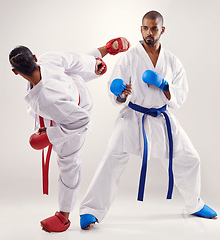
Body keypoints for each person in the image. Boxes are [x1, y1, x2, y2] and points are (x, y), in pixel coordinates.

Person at [79, 11, 218, 230]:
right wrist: (120, 93)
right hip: (133, 116)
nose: (149, 32)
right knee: (111, 159)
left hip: (162, 118)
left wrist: (164, 85)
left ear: (162, 30)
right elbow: (116, 87)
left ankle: (194, 203)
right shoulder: (130, 57)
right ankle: (90, 210)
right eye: (145, 28)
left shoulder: (172, 61)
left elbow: (180, 95)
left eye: (154, 28)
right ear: (141, 29)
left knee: (190, 158)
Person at [9, 37, 130, 233]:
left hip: (74, 114)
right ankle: (107, 49)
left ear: (15, 72)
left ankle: (63, 217)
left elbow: (81, 120)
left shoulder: (47, 100)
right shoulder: (47, 59)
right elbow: (75, 60)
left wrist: (50, 135)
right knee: (73, 65)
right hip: (73, 82)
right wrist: (96, 61)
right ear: (34, 57)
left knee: (68, 163)